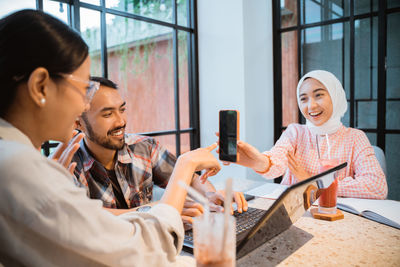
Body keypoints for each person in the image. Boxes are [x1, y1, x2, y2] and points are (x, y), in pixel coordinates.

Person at [0, 9, 221, 266]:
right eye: (83, 89)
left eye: (121, 110)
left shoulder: (23, 162)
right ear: (40, 86)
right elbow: (140, 252)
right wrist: (186, 165)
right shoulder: (20, 169)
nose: (83, 106)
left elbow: (91, 233)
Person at [71, 77, 248, 223]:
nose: (121, 121)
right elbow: (89, 219)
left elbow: (191, 180)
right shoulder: (68, 165)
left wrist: (210, 195)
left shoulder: (144, 147)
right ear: (78, 123)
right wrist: (160, 208)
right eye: (108, 114)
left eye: (122, 110)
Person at [228, 70, 387, 199]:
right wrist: (258, 161)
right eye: (303, 99)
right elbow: (276, 163)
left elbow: (377, 186)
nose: (311, 106)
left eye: (319, 95)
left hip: (336, 217)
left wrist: (312, 182)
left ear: (335, 96)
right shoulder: (295, 132)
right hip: (293, 214)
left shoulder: (355, 137)